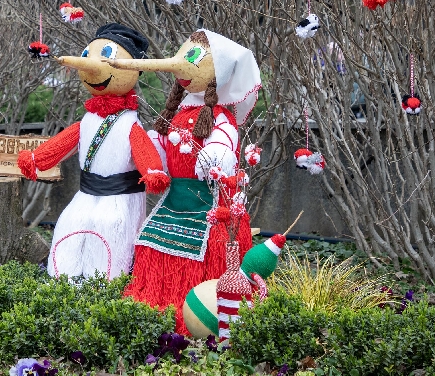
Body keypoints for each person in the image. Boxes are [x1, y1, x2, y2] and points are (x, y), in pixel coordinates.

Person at [106, 29, 261, 333]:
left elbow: (224, 146)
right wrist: (155, 156)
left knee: (206, 251)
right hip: (174, 196)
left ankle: (196, 308)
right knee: (149, 240)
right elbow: (164, 149)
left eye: (190, 58)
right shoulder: (177, 115)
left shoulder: (220, 118)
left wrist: (216, 154)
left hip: (209, 201)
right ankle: (154, 298)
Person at [17, 23, 169, 279]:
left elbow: (143, 150)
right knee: (70, 223)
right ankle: (64, 279)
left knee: (110, 231)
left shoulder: (129, 123)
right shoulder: (88, 120)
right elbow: (63, 142)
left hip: (119, 197)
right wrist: (37, 159)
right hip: (86, 193)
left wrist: (152, 171)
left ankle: (103, 283)